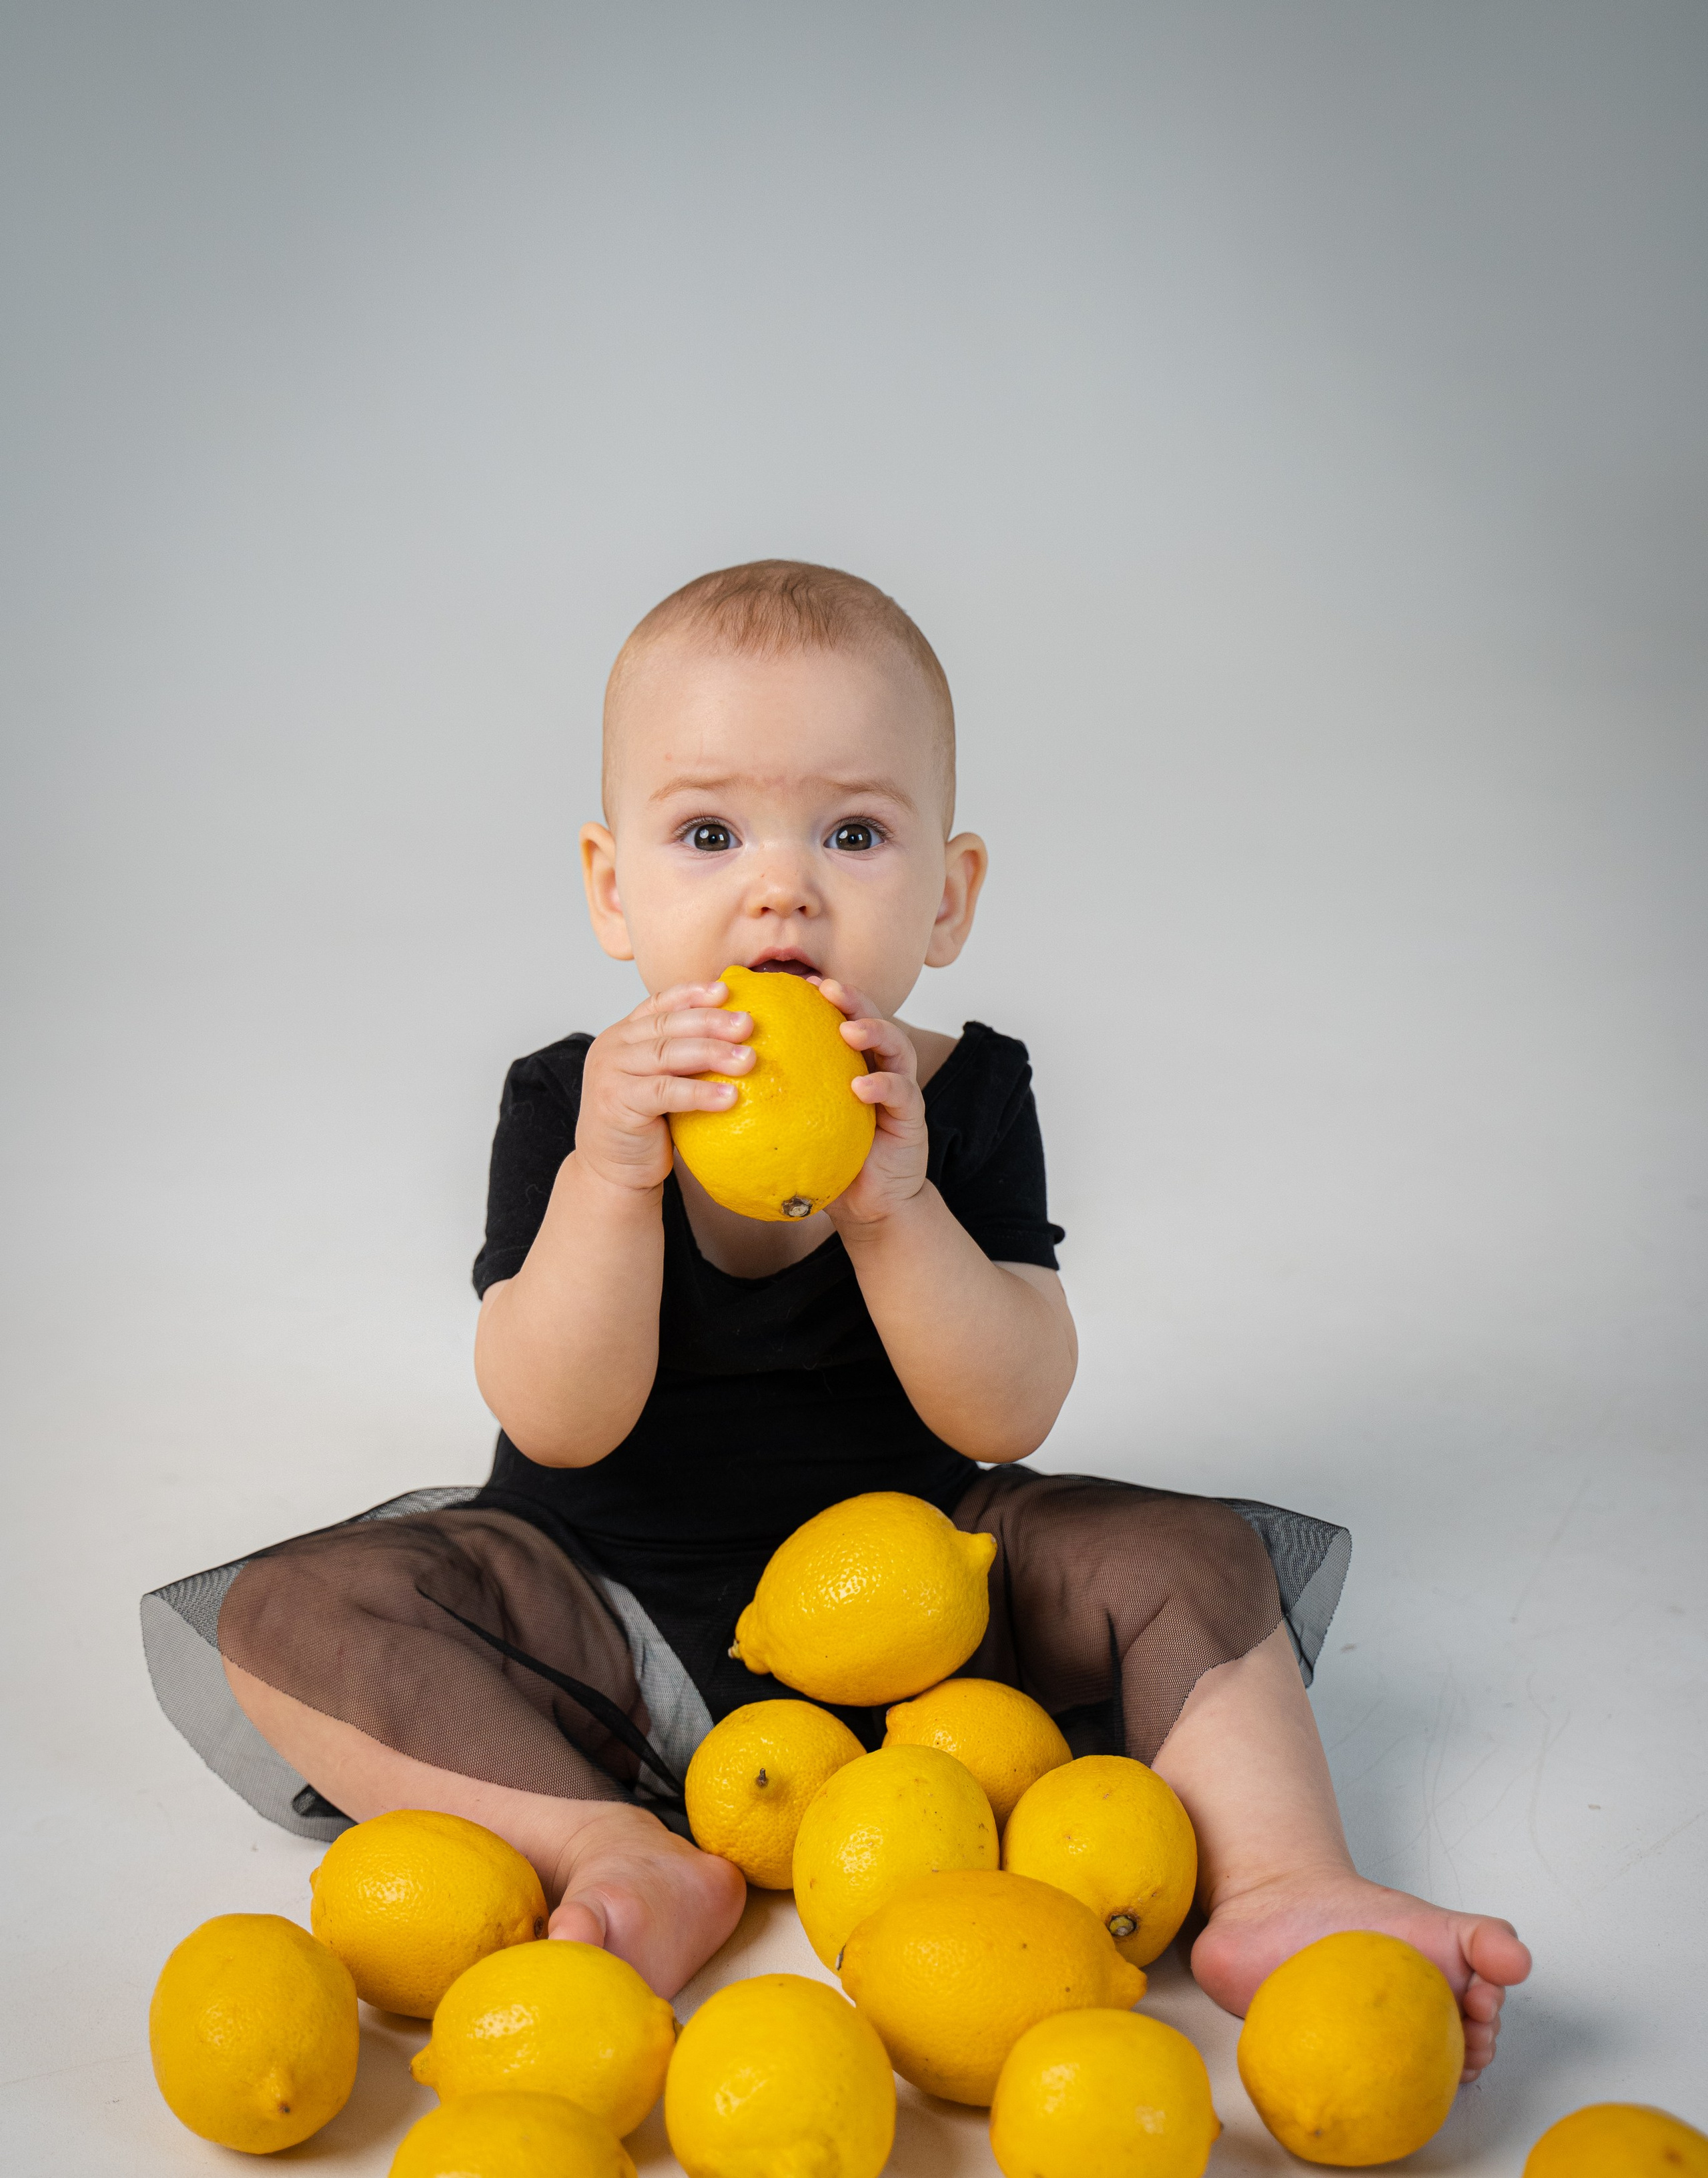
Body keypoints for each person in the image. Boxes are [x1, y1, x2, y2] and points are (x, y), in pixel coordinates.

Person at [216, 559, 1530, 2069]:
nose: (781, 887)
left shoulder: (962, 1097)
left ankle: (1283, 1886)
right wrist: (605, 1172)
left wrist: (896, 1205)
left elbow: (1009, 1409)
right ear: (610, 887)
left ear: (948, 897)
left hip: (931, 1615)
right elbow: (555, 1412)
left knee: (1185, 1553)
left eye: (852, 832)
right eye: (707, 832)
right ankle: (605, 1844)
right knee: (290, 1613)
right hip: (595, 1606)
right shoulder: (571, 1106)